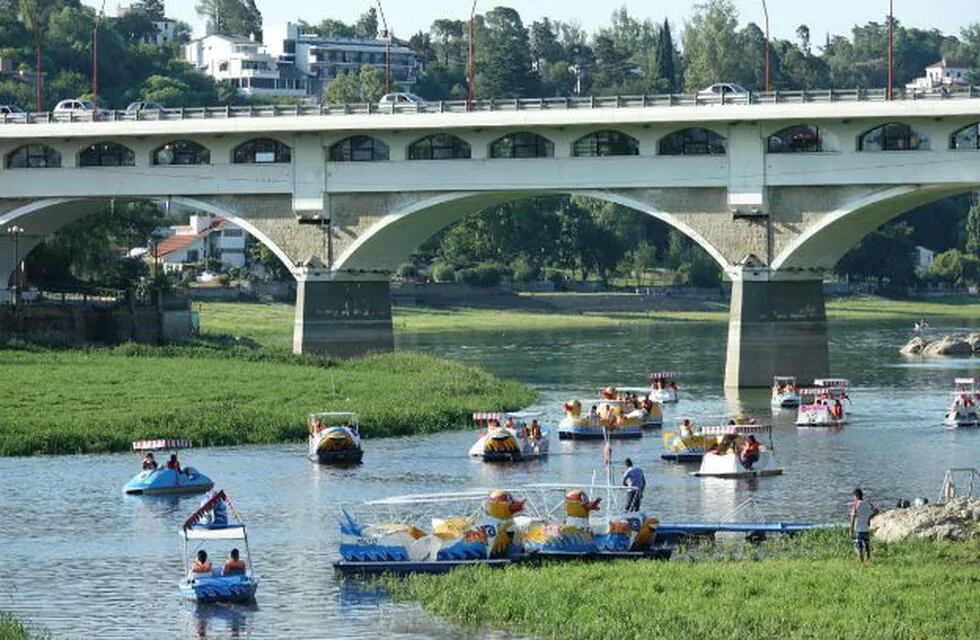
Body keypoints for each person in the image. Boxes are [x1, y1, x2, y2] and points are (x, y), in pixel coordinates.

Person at [850, 488, 880, 563]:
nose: (853, 498)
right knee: (867, 546)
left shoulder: (856, 504)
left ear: (856, 496)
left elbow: (852, 518)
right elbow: (877, 510)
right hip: (866, 529)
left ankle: (862, 563)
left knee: (859, 547)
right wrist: (869, 517)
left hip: (858, 529)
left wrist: (851, 530)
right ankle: (869, 560)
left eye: (853, 496)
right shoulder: (867, 503)